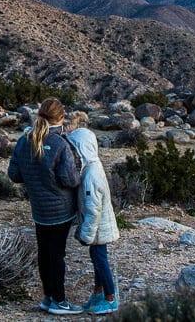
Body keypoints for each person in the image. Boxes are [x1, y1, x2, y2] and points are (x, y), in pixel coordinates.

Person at [8, 98, 82, 315]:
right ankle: (59, 300)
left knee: (44, 252)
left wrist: (35, 178)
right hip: (60, 209)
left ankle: (48, 297)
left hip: (39, 208)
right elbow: (69, 178)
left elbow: (14, 174)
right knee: (57, 255)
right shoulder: (60, 143)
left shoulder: (23, 141)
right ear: (61, 116)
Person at [68, 128, 120, 315]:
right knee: (98, 259)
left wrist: (86, 235)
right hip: (99, 228)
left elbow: (93, 210)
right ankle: (98, 294)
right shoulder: (92, 167)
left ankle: (110, 298)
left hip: (98, 229)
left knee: (101, 261)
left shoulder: (90, 175)